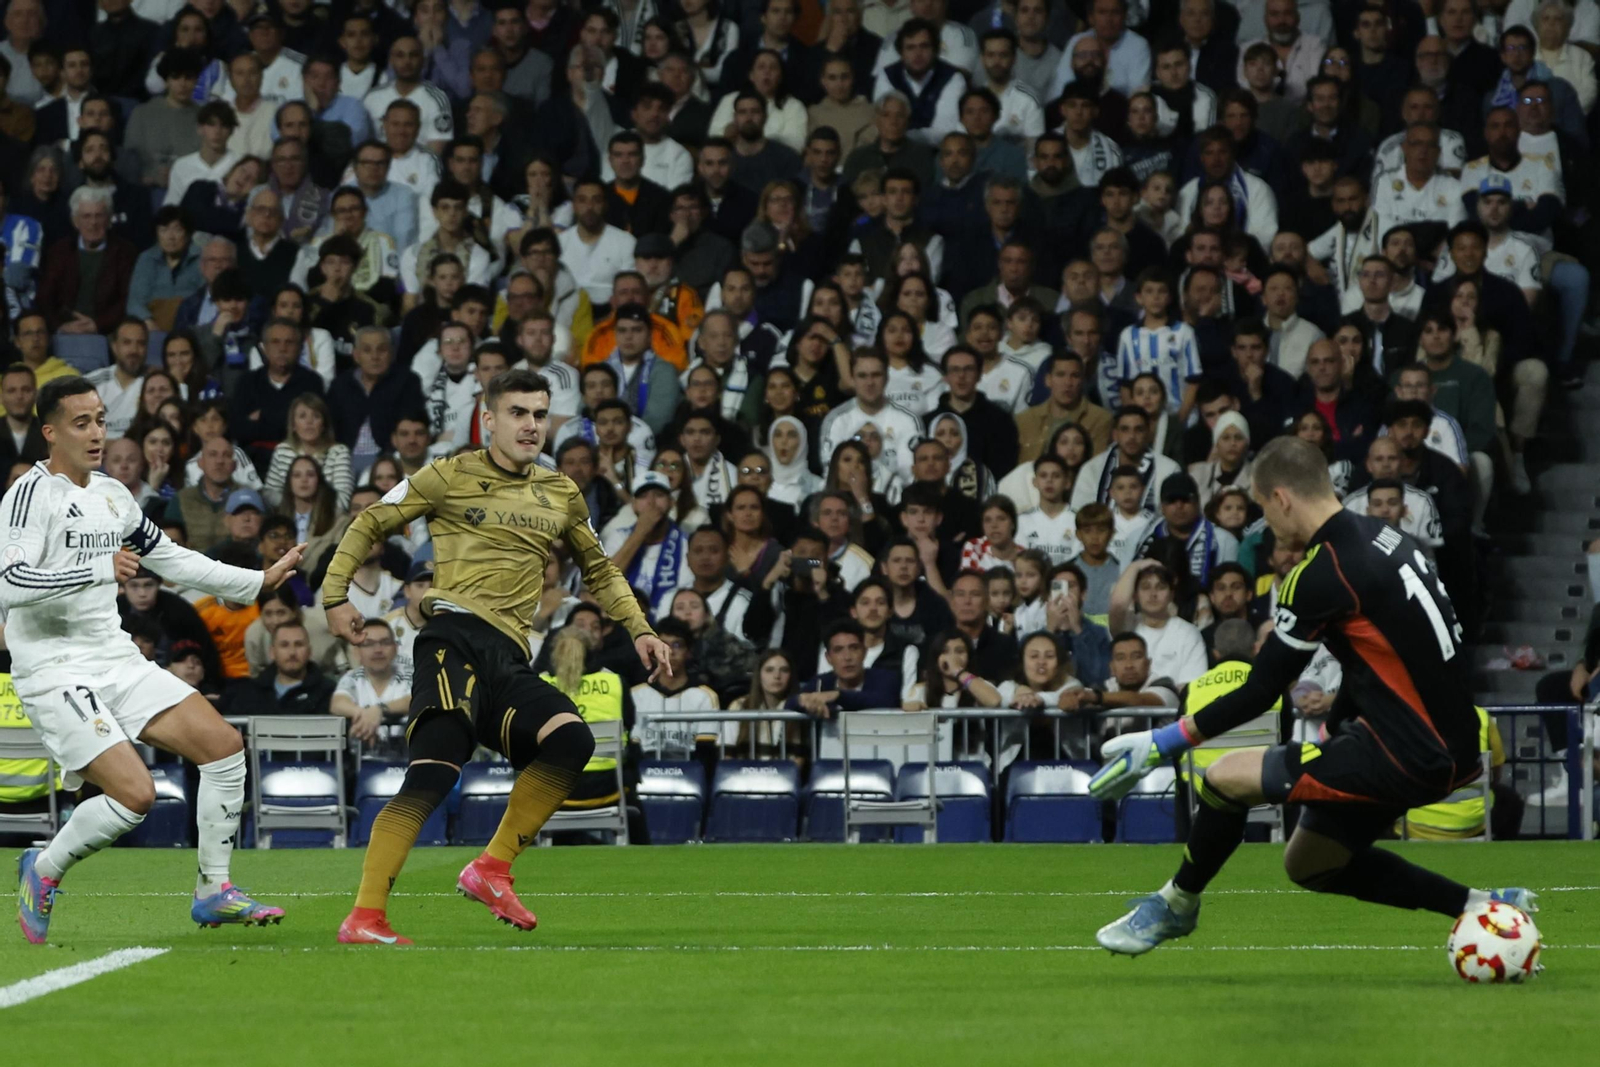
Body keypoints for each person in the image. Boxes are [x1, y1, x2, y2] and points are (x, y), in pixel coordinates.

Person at [1088, 435, 1535, 956]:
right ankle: (1484, 903)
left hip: (1406, 751)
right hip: (1451, 742)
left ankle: (1176, 904)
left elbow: (1261, 687)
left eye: (1261, 506)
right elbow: (1381, 655)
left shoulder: (1323, 572)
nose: (1265, 521)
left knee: (1224, 777)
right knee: (1311, 862)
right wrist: (1342, 729)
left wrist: (1165, 741)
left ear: (1281, 498)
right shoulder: (1388, 539)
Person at [324, 369, 670, 944]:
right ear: (489, 419)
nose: (531, 425)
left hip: (510, 656)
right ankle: (365, 915)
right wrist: (334, 595)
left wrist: (639, 628)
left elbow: (601, 570)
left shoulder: (560, 492)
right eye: (517, 413)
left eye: (539, 413)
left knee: (571, 740)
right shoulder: (449, 475)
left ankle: (491, 867)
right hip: (453, 638)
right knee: (434, 774)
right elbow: (369, 521)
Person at [12, 377, 306, 943]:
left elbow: (169, 556)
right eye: (82, 423)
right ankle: (43, 869)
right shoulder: (30, 494)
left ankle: (213, 891)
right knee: (136, 795)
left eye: (101, 419)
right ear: (49, 432)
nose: (96, 432)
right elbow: (10, 582)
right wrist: (99, 570)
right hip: (53, 667)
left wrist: (257, 581)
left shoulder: (113, 495)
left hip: (113, 657)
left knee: (222, 747)